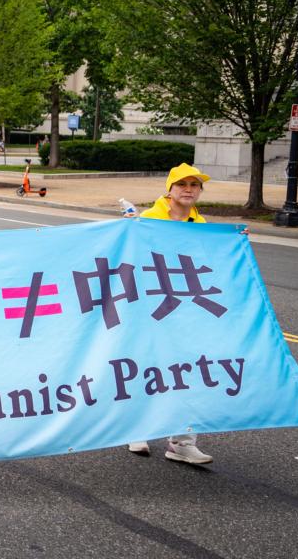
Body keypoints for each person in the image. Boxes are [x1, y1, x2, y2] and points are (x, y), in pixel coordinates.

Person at [125, 162, 217, 465]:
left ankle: (181, 442)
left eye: (195, 185)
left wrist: (235, 240)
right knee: (150, 368)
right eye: (183, 185)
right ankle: (136, 428)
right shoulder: (149, 218)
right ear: (170, 189)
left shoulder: (200, 224)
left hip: (186, 309)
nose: (189, 190)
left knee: (186, 373)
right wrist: (129, 227)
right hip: (151, 307)